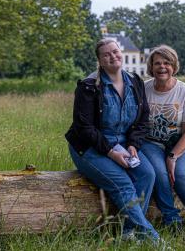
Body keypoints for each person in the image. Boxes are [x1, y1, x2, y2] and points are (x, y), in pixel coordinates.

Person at [65, 38, 159, 241]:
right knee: (124, 185)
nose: (112, 56)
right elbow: (84, 128)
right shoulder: (89, 86)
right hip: (90, 146)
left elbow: (142, 119)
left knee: (147, 175)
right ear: (99, 60)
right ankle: (153, 239)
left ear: (121, 53)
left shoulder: (135, 81)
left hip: (124, 143)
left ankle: (128, 232)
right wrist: (111, 152)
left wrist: (133, 144)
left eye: (115, 51)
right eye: (106, 54)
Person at [140, 45, 185, 231]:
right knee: (160, 173)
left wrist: (172, 157)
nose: (162, 67)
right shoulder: (143, 89)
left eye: (167, 63)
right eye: (157, 63)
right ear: (151, 67)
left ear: (174, 66)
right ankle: (171, 220)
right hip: (151, 143)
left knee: (181, 176)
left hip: (179, 142)